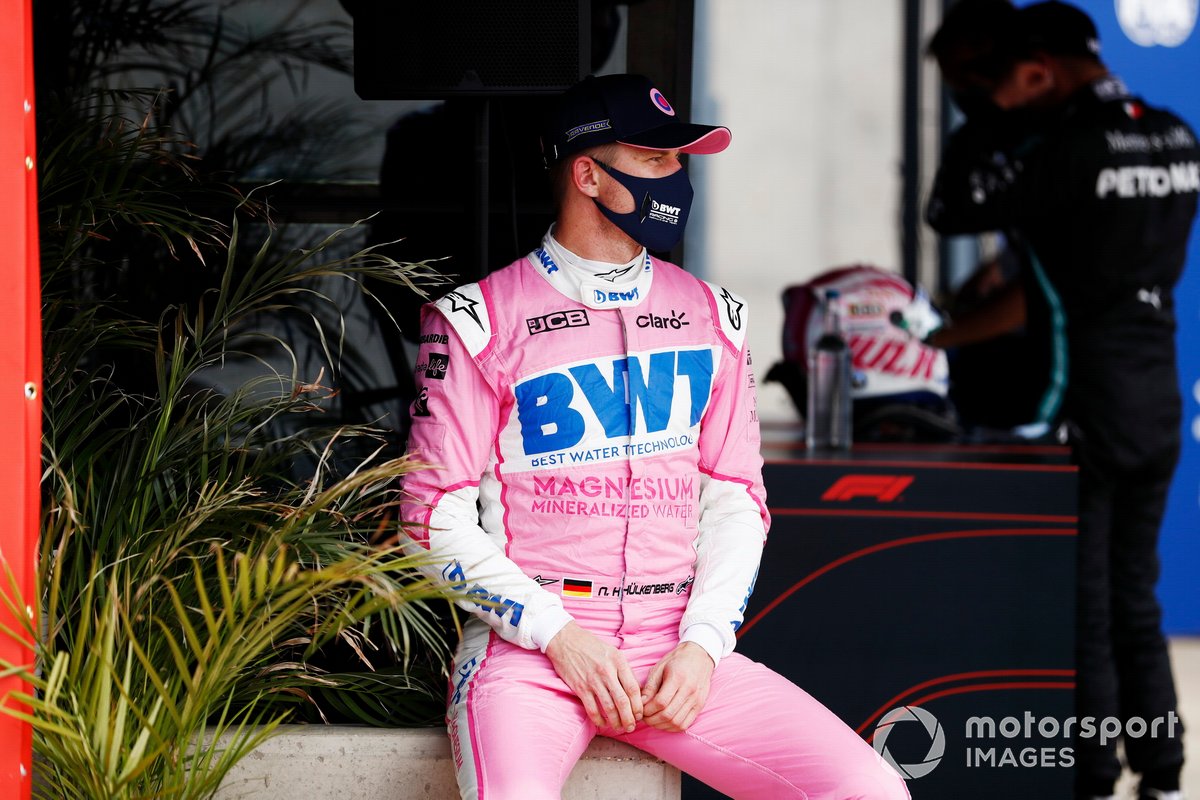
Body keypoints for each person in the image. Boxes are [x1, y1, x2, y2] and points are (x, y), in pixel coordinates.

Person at [398, 73, 909, 800]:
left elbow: (736, 501)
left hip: (675, 649)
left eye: (681, 161)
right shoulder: (476, 321)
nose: (678, 177)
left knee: (871, 793)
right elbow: (428, 521)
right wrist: (558, 637)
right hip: (532, 650)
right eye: (657, 160)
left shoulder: (715, 316)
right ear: (588, 175)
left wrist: (703, 645)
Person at [923, 3, 1200, 798]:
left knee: (1086, 606)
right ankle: (1166, 775)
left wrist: (981, 120)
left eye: (990, 83)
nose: (985, 99)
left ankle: (1093, 776)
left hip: (1085, 400)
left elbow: (952, 209)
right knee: (1135, 598)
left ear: (1038, 72)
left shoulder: (1065, 151)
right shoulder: (1177, 132)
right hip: (1156, 398)